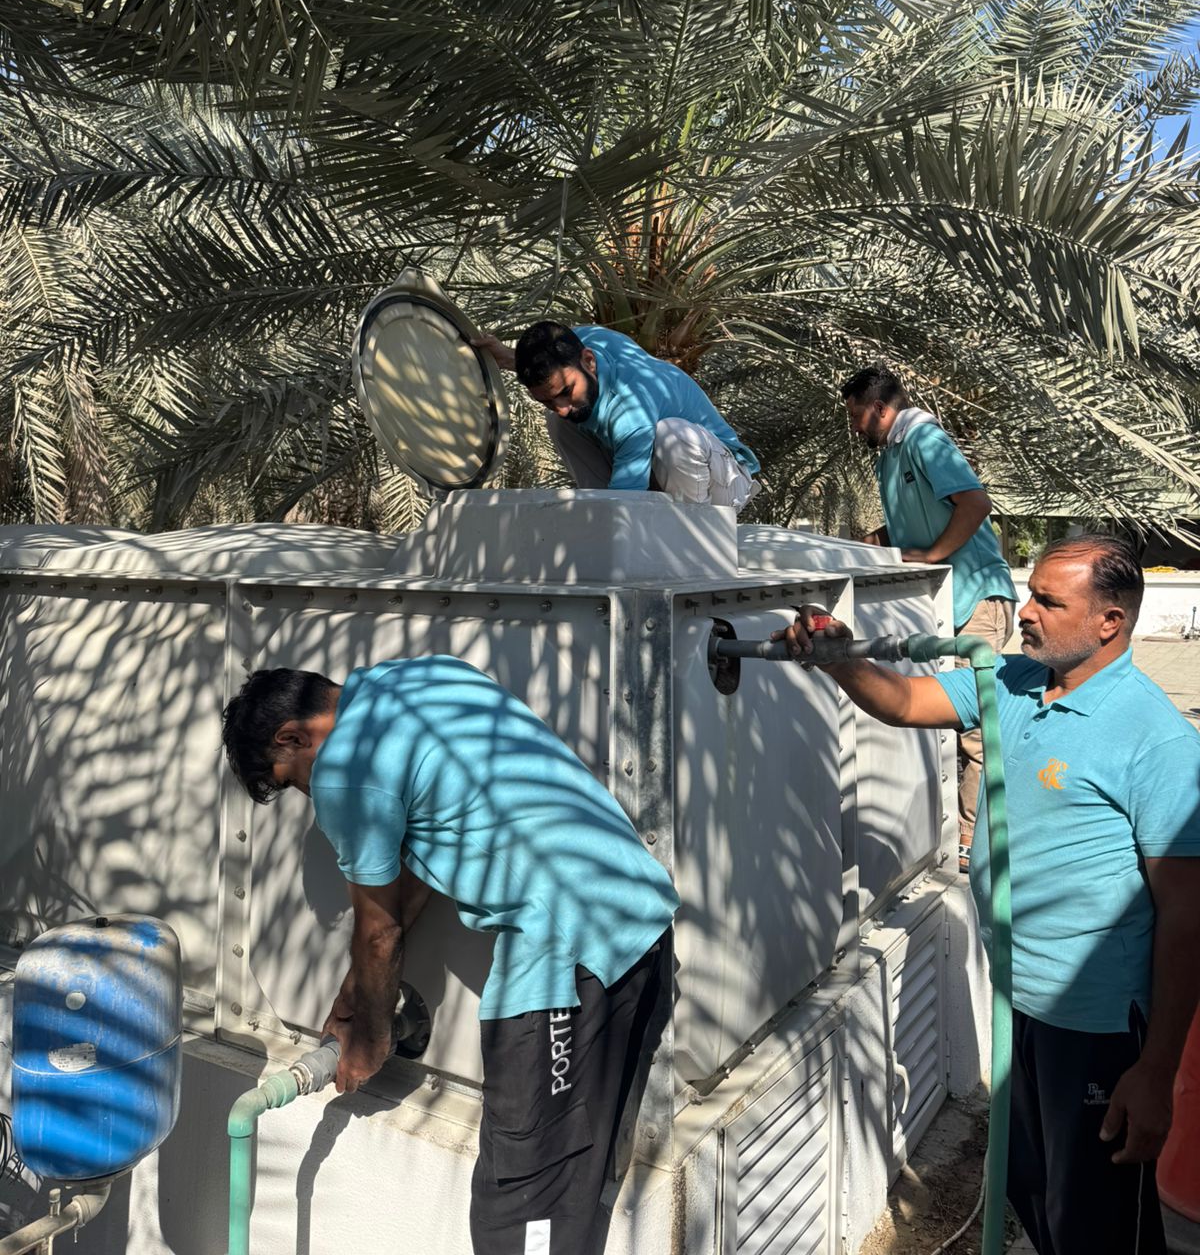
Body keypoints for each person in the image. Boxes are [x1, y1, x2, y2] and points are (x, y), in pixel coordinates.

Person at [775, 535, 1200, 1255]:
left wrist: (1155, 1072)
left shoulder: (1156, 741)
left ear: (1110, 622)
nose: (1024, 611)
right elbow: (905, 702)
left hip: (1098, 1021)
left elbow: (1188, 916)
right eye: (1030, 593)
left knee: (1096, 1218)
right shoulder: (1012, 679)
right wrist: (840, 658)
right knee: (1032, 1187)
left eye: (1048, 602)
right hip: (1015, 996)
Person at [221, 655, 678, 1255]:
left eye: (291, 780)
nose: (308, 791)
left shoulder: (346, 769)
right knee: (576, 1172)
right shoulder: (427, 677)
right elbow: (432, 854)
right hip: (640, 921)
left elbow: (379, 931)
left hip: (567, 957)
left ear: (292, 737)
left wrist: (370, 1041)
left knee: (521, 1195)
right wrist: (357, 995)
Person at [841, 363, 1016, 872]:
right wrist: (866, 543)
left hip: (976, 598)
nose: (853, 426)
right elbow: (908, 526)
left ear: (879, 409)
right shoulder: (890, 454)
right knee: (948, 718)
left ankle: (972, 842)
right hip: (945, 603)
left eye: (855, 415)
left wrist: (935, 555)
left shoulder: (922, 437)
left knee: (974, 729)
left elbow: (975, 503)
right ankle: (959, 832)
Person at [475, 321, 760, 510]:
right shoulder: (575, 344)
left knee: (672, 435)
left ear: (589, 361)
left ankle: (694, 534)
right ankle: (598, 504)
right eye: (547, 400)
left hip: (722, 483)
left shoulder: (632, 408)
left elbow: (627, 501)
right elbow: (550, 371)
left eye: (566, 392)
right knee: (561, 422)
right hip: (660, 473)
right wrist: (507, 358)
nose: (560, 406)